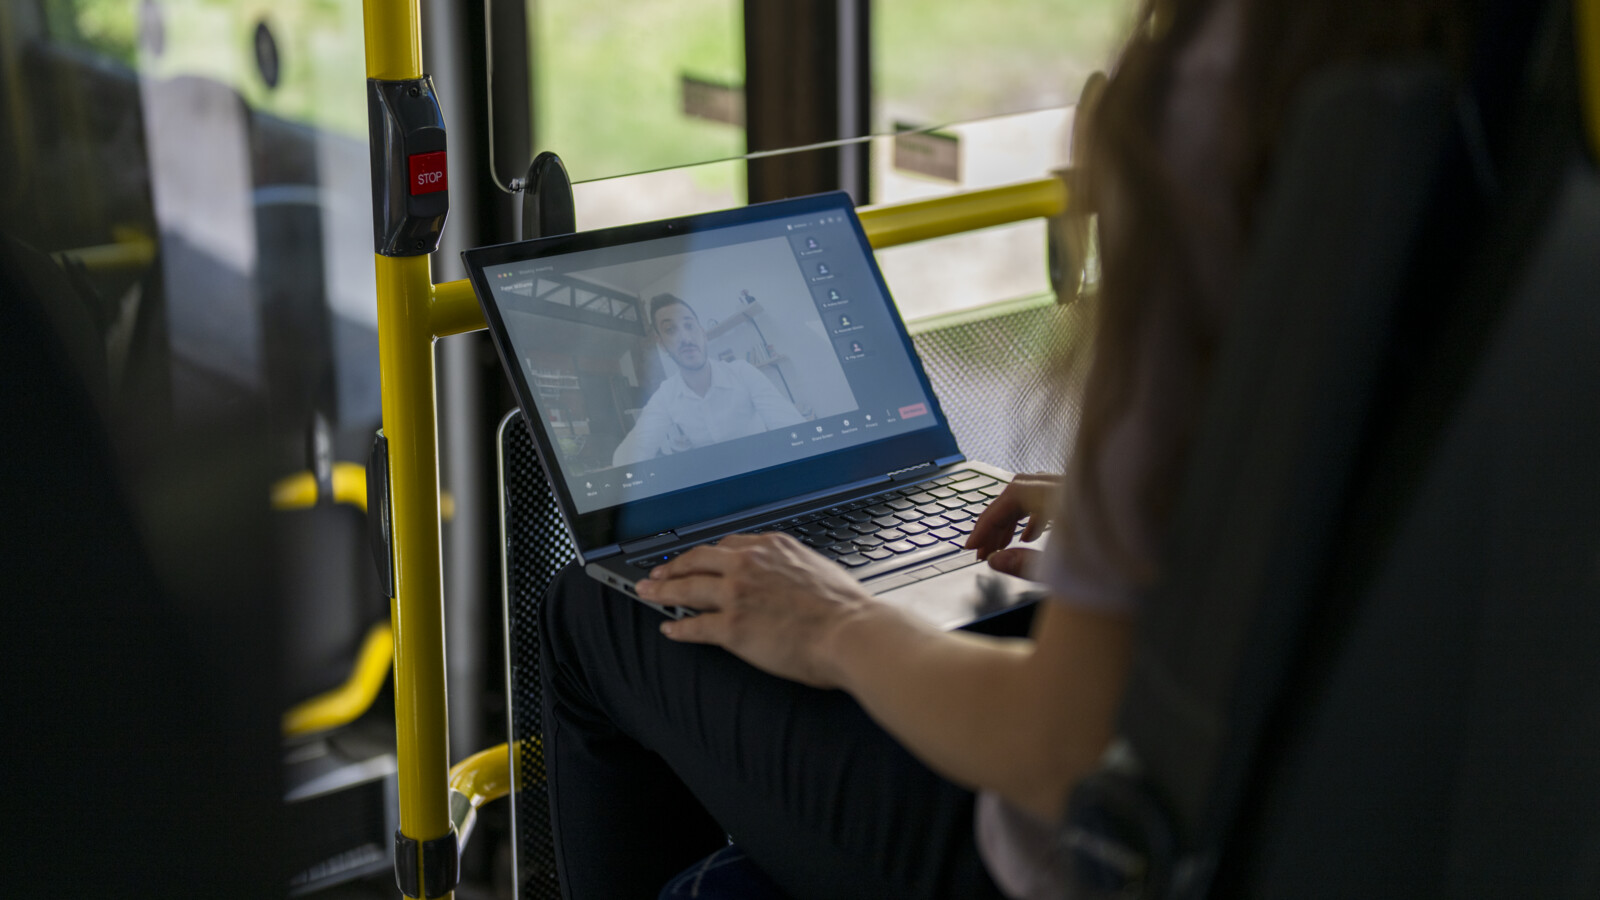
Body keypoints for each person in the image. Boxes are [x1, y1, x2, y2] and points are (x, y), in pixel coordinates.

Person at [541, 1, 1484, 897]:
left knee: (591, 608)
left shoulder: (1228, 86)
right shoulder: (1486, 74)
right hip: (1329, 769)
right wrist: (1147, 526)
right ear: (666, 347)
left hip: (1070, 855)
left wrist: (833, 621)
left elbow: (1060, 745)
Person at [612, 293, 805, 467]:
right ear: (661, 343)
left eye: (689, 325)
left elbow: (792, 427)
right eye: (671, 330)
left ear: (702, 333)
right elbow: (628, 455)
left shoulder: (742, 372)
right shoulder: (666, 395)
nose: (685, 338)